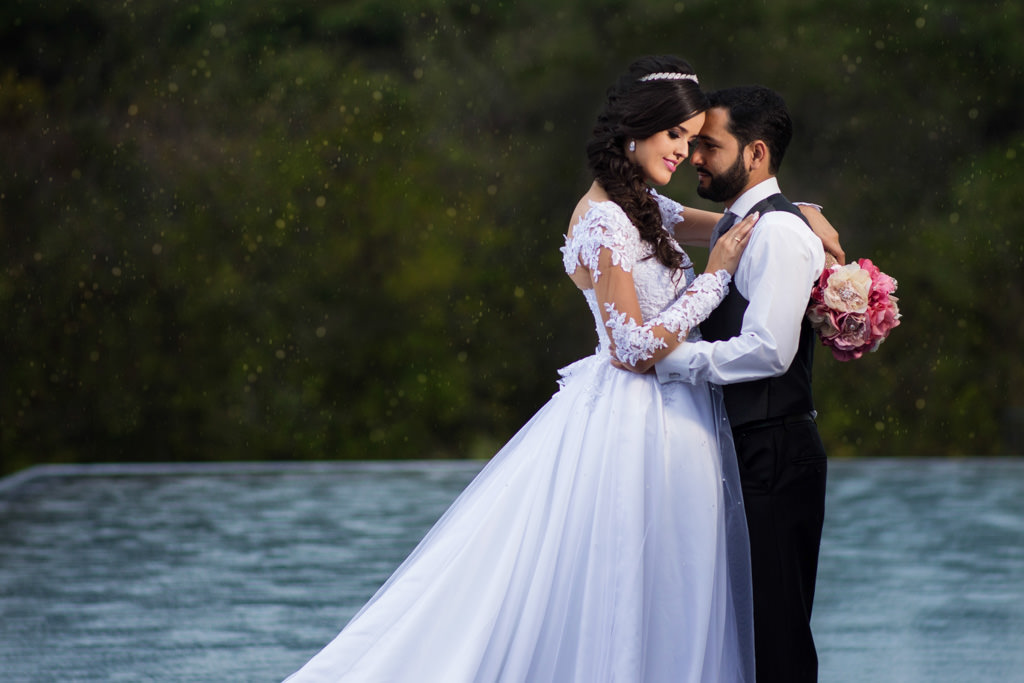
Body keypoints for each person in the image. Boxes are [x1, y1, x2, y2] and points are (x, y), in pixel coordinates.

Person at [283, 54, 761, 682]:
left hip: (673, 414)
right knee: (621, 578)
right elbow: (630, 346)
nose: (684, 151)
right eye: (676, 135)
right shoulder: (603, 220)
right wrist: (717, 279)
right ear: (636, 129)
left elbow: (730, 225)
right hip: (633, 418)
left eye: (694, 140)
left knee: (672, 575)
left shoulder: (642, 205)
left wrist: (794, 213)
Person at [653, 85, 833, 683]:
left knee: (777, 635)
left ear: (755, 153)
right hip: (751, 448)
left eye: (710, 145)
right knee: (751, 633)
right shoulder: (750, 222)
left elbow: (768, 352)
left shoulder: (778, 234)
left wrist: (673, 361)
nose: (696, 157)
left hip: (774, 449)